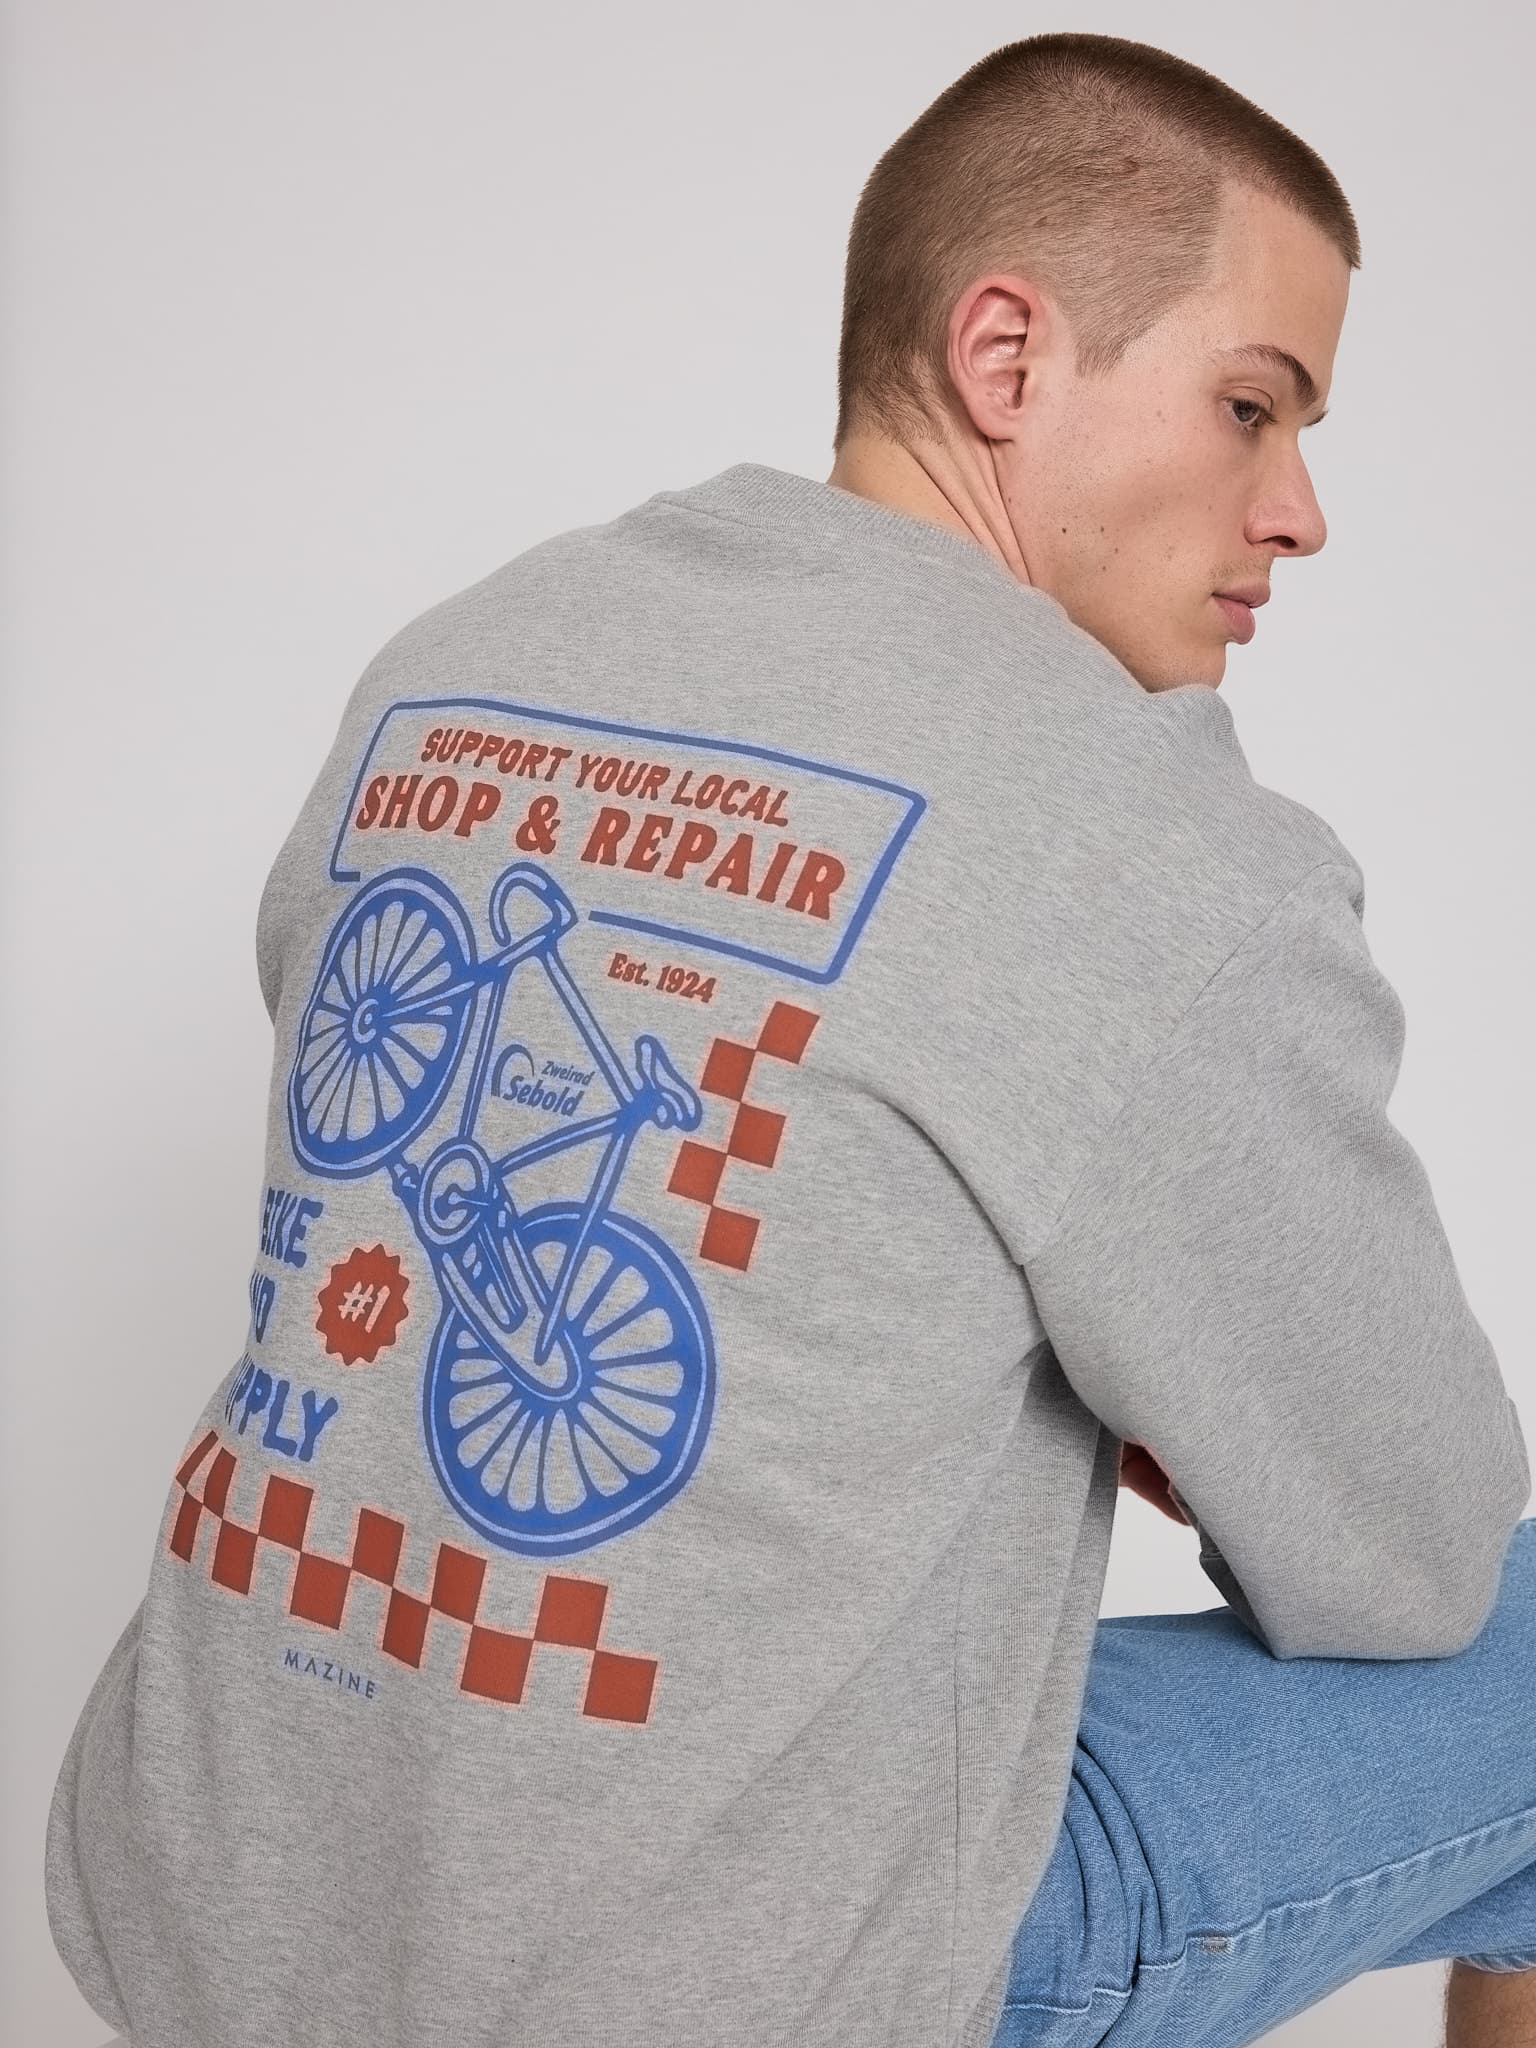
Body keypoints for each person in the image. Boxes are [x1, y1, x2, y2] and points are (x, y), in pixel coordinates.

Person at [45, 29, 1532, 2048]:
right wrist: (1196, 1405)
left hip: (215, 1916)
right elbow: (1413, 1558)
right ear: (1005, 358)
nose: (1303, 511)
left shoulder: (470, 654)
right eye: (1252, 407)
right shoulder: (1142, 837)